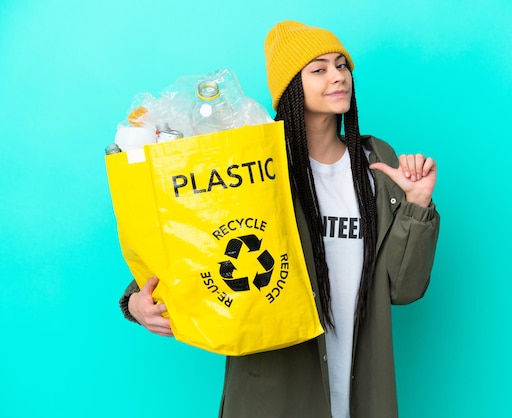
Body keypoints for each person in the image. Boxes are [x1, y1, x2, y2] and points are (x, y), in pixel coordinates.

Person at [119, 20, 440, 418]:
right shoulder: (256, 165)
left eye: (341, 65)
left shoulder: (377, 164)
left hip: (359, 393)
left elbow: (402, 288)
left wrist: (418, 204)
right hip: (273, 394)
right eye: (318, 69)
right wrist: (136, 301)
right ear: (290, 86)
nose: (337, 76)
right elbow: (203, 239)